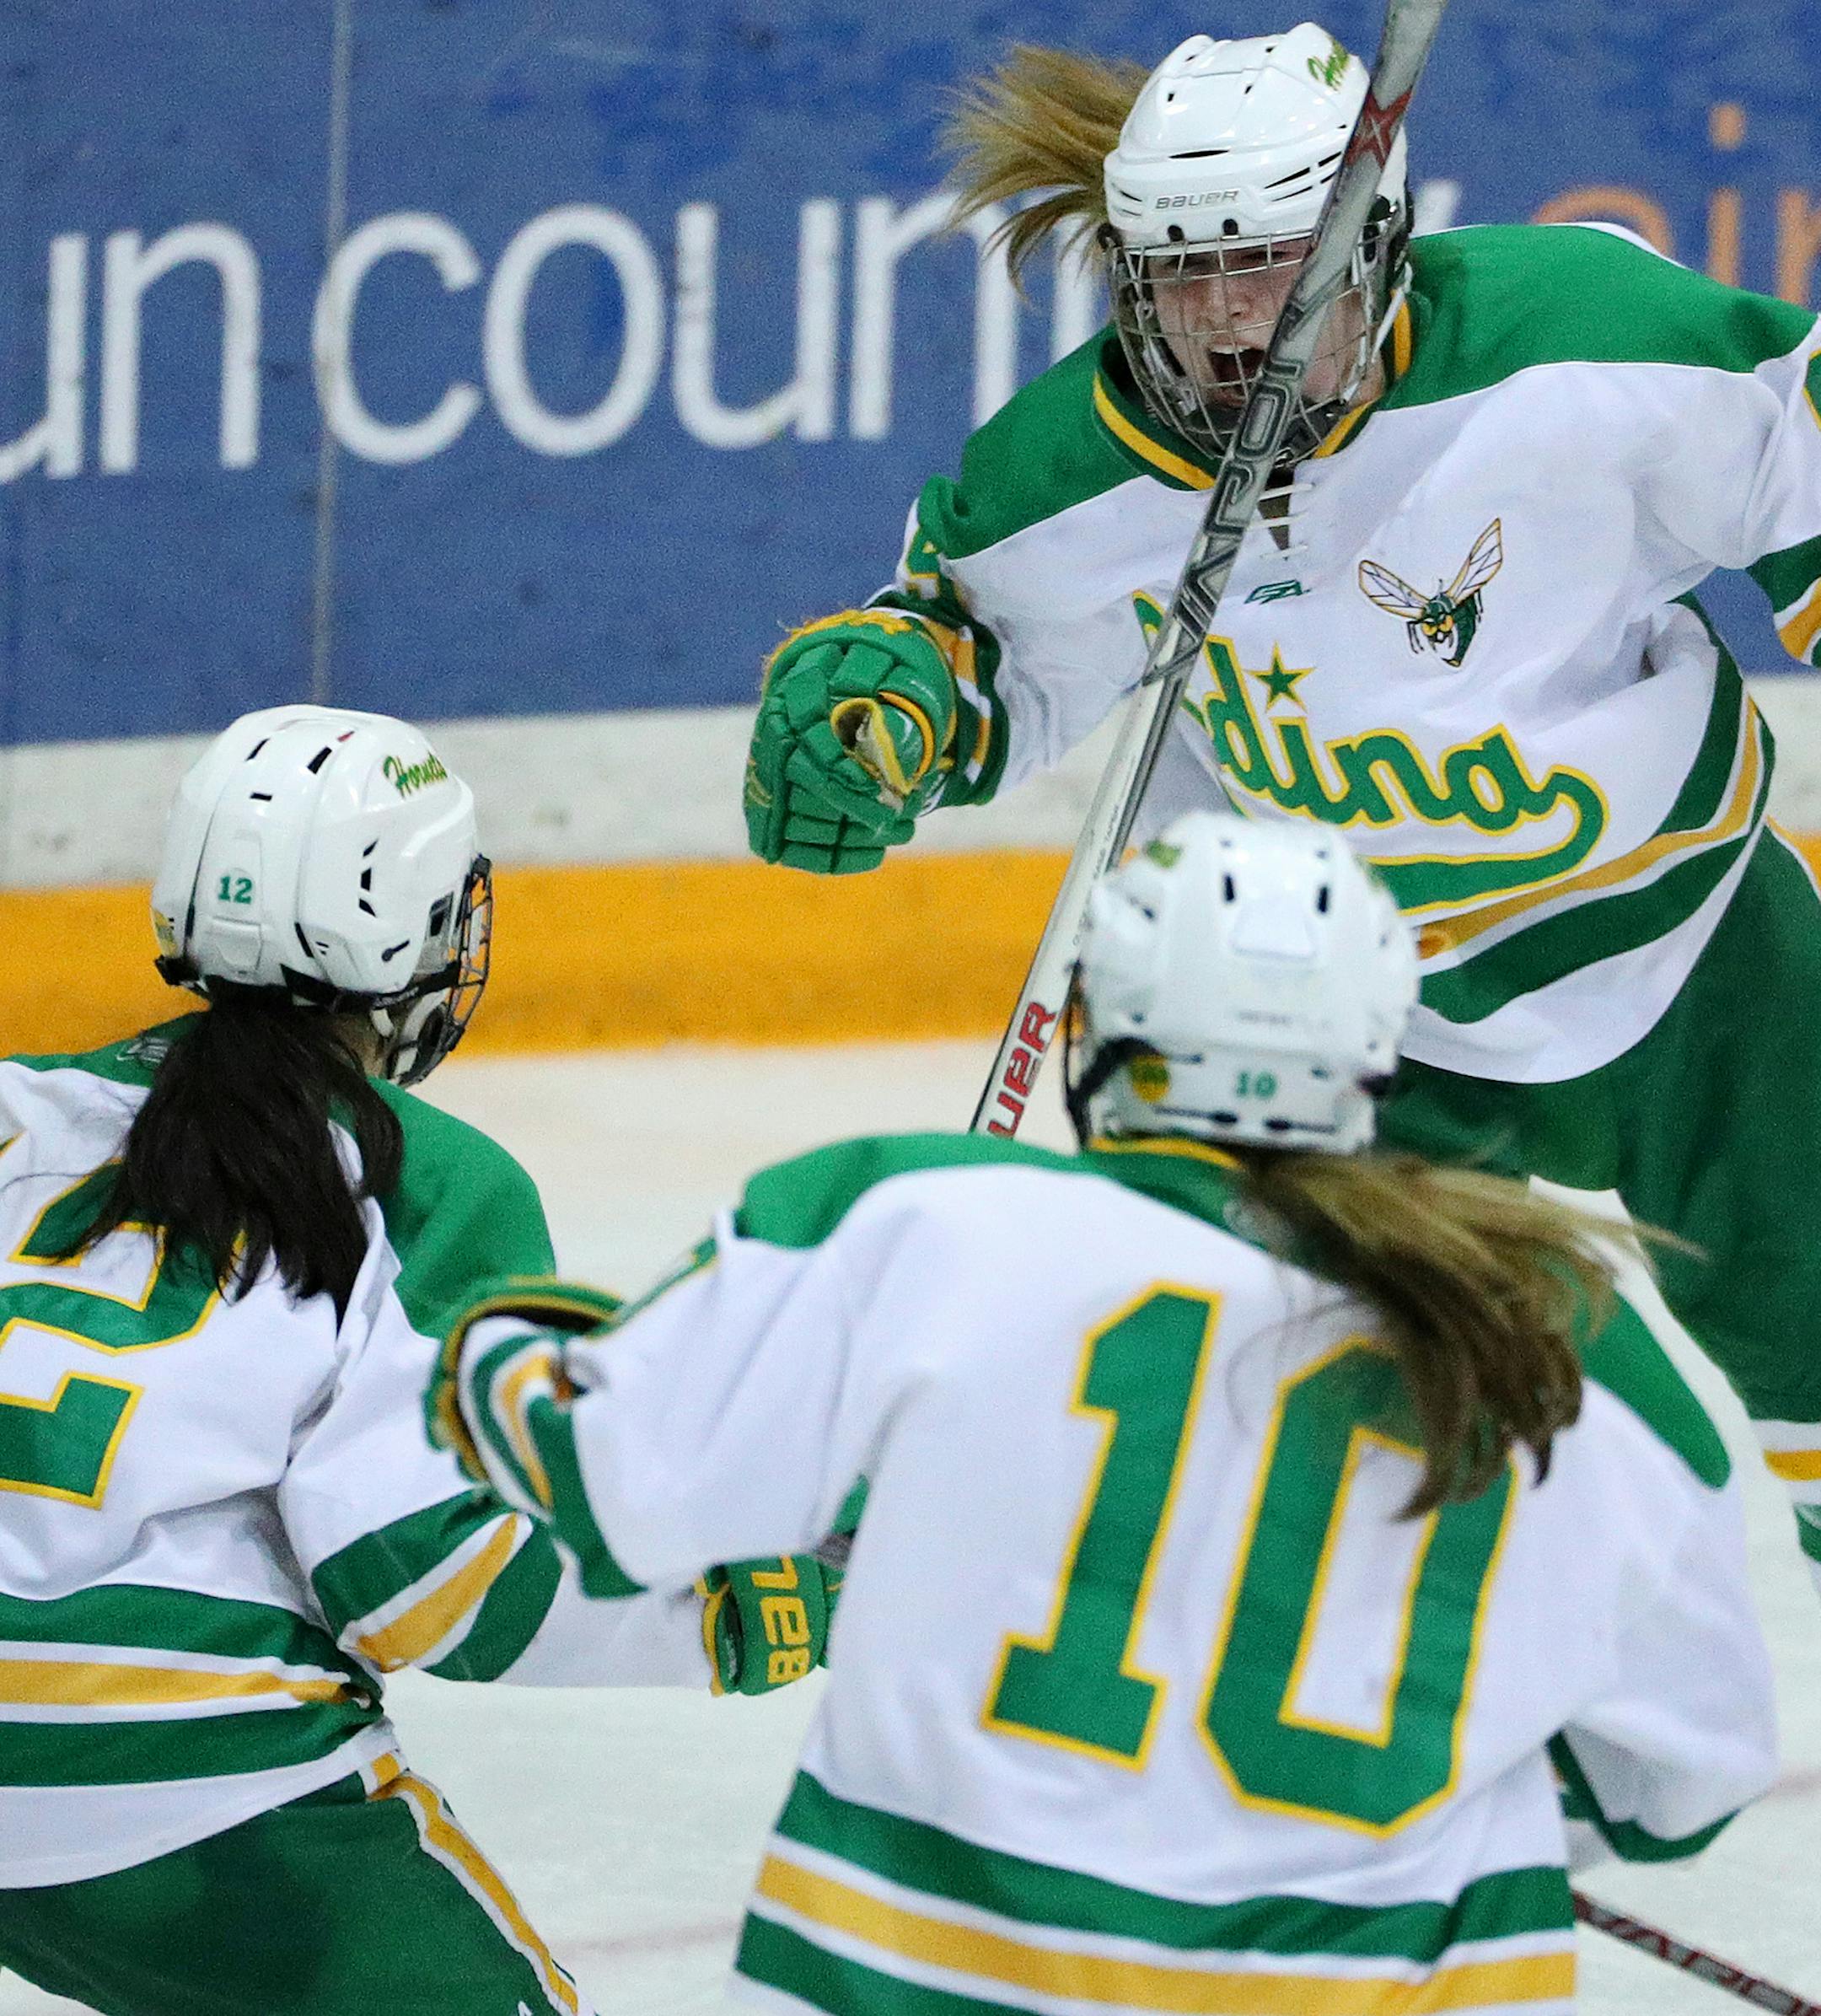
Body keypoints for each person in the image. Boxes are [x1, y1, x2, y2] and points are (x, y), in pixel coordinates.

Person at [739, 23, 1821, 1585]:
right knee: (1335, 1448)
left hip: (1700, 959)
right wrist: (883, 710)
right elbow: (965, 652)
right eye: (1186, 276)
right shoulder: (1088, 467)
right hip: (1355, 1028)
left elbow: (1798, 450)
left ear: (1374, 245)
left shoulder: (1579, 337)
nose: (1233, 325)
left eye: (1272, 270)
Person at [435, 813, 1776, 2016]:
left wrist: (494, 1340)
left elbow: (602, 1469)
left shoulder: (923, 1221)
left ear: (1101, 1027)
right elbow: (1687, 1772)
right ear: (1378, 1051)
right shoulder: (1573, 1348)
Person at [0, 704, 837, 2016]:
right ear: (420, 932)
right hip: (179, 1786)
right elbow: (438, 1583)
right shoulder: (415, 1179)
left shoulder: (14, 1105)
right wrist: (756, 1603)